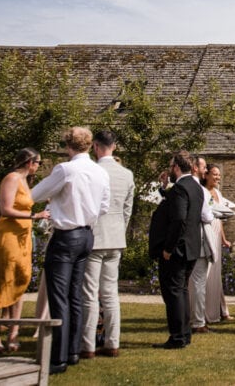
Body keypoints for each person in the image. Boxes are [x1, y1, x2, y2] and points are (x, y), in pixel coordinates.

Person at [31, 127, 111, 374]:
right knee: (75, 294)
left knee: (59, 296)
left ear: (68, 145)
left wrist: (59, 204)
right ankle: (74, 350)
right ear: (90, 145)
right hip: (87, 234)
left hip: (66, 235)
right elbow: (104, 206)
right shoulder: (99, 171)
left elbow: (36, 193)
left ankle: (58, 356)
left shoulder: (65, 169)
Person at [0, 148, 49, 354]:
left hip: (22, 238)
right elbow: (5, 209)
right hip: (7, 237)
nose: (38, 166)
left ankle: (14, 331)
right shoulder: (11, 178)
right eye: (38, 162)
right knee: (1, 281)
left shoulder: (25, 182)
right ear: (30, 162)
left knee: (21, 279)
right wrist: (34, 217)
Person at [80, 131, 134, 359]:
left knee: (90, 293)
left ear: (95, 146)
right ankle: (113, 342)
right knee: (111, 292)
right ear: (115, 146)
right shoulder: (126, 174)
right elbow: (127, 209)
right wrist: (120, 231)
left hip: (95, 236)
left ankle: (88, 345)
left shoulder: (92, 171)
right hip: (115, 237)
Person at [148, 150, 204, 350]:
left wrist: (168, 248)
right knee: (181, 290)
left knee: (173, 292)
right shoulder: (195, 187)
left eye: (171, 166)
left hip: (177, 249)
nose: (169, 170)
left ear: (176, 167)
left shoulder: (181, 188)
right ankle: (184, 334)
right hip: (191, 247)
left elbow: (179, 218)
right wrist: (164, 189)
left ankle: (177, 336)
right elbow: (176, 207)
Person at [202, 164, 235, 323]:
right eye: (214, 174)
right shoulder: (202, 192)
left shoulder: (218, 193)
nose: (217, 178)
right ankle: (205, 311)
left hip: (216, 232)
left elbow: (221, 218)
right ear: (206, 175)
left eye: (219, 175)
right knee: (207, 273)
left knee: (217, 275)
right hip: (206, 230)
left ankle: (222, 310)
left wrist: (223, 238)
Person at [186, 157, 217, 334]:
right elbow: (207, 216)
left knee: (189, 282)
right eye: (204, 167)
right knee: (198, 282)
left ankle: (191, 318)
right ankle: (198, 321)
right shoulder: (201, 191)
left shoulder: (182, 187)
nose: (206, 171)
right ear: (195, 168)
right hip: (199, 238)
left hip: (186, 239)